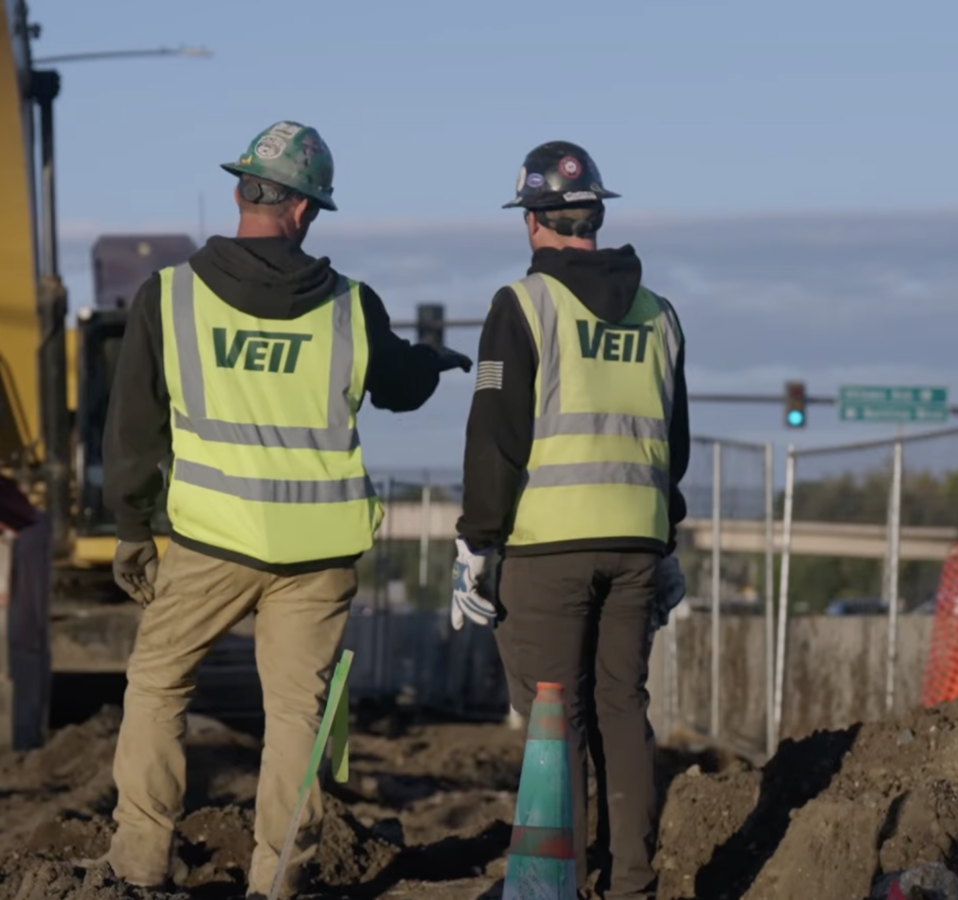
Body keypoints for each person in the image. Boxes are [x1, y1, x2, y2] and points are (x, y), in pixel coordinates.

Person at [101, 120, 473, 898]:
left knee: (158, 688)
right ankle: (276, 880)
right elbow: (402, 387)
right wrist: (432, 361)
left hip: (209, 541)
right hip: (317, 554)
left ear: (243, 192)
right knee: (296, 718)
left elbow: (133, 427)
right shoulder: (349, 306)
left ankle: (139, 864)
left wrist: (133, 528)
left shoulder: (168, 298)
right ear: (305, 211)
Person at [450, 140, 690, 900]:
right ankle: (631, 884)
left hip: (548, 545)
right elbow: (671, 443)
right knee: (623, 709)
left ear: (532, 221)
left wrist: (478, 544)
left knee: (555, 716)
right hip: (637, 542)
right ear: (595, 215)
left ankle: (554, 885)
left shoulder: (522, 305)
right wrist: (667, 537)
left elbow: (496, 437)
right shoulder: (660, 315)